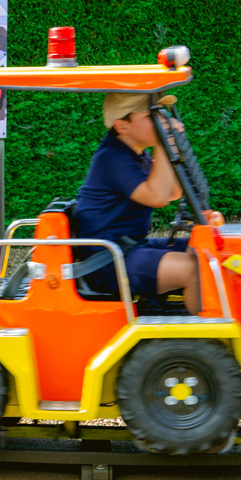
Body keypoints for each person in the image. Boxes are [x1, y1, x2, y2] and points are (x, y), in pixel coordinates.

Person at [76, 92, 199, 314]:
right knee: (196, 270)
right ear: (123, 126)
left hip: (128, 249)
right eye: (153, 117)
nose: (163, 122)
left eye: (162, 114)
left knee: (205, 250)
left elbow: (171, 191)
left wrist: (170, 144)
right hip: (106, 263)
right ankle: (205, 344)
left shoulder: (136, 155)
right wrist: (164, 142)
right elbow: (158, 197)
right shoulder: (112, 157)